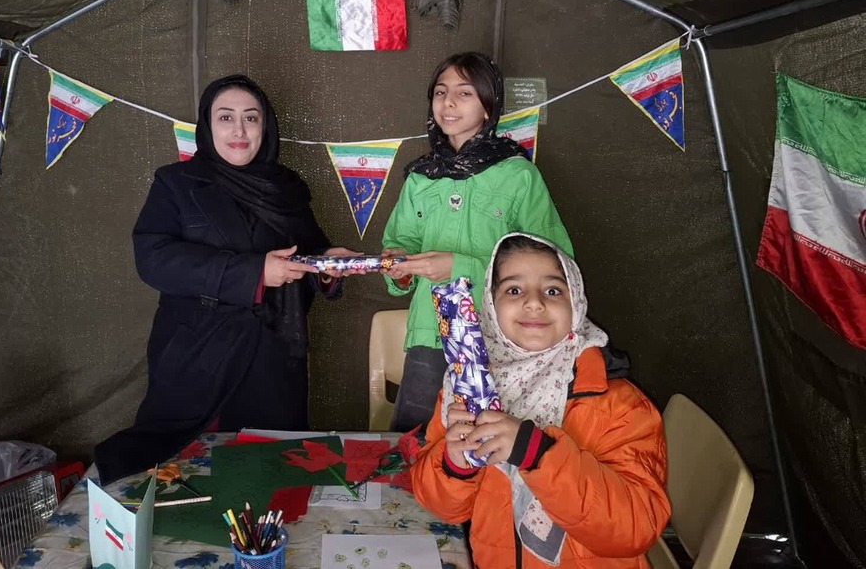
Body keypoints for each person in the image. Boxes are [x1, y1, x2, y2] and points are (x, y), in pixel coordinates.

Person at [95, 74, 359, 483]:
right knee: (178, 474)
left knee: (269, 473)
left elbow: (307, 253)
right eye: (226, 117)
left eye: (251, 118)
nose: (239, 130)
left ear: (265, 127)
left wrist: (328, 265)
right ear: (207, 125)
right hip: (198, 355)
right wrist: (255, 272)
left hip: (271, 358)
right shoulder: (177, 184)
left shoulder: (287, 188)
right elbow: (154, 258)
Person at [411, 233, 670, 568]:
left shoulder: (620, 407)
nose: (534, 302)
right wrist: (454, 466)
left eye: (553, 291)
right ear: (490, 304)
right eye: (513, 290)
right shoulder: (465, 391)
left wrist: (537, 454)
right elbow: (443, 508)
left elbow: (635, 529)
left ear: (576, 303)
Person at [381, 52, 572, 431]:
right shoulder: (420, 177)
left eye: (464, 93)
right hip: (431, 334)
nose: (448, 102)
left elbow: (556, 262)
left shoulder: (517, 175)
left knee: (487, 439)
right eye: (440, 92)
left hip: (500, 336)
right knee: (416, 439)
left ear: (488, 106)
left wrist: (461, 267)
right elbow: (400, 242)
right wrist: (398, 266)